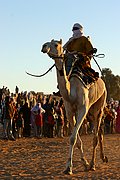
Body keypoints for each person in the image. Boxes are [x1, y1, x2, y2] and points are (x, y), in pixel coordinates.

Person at [53, 23, 98, 96]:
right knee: (60, 64)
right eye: (73, 29)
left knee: (70, 60)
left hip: (81, 59)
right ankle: (61, 86)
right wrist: (69, 41)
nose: (74, 31)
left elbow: (90, 52)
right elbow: (63, 50)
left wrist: (77, 53)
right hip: (69, 57)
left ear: (80, 30)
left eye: (75, 29)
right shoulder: (72, 40)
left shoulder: (84, 39)